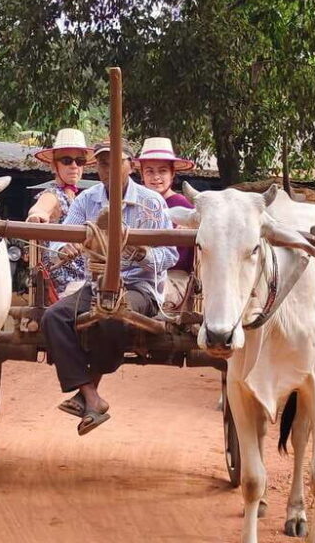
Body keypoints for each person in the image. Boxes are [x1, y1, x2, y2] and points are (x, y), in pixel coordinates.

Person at [41, 140, 179, 435]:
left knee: (112, 313)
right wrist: (63, 248)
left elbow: (171, 254)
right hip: (97, 284)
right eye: (104, 163)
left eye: (117, 162)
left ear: (131, 167)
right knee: (53, 317)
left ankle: (88, 395)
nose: (110, 169)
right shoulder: (87, 200)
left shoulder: (151, 202)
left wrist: (143, 254)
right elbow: (61, 238)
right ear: (98, 167)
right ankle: (91, 395)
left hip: (140, 288)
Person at [25, 128, 93, 297]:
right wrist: (37, 215)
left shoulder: (82, 199)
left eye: (80, 161)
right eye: (67, 160)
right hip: (64, 284)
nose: (74, 166)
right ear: (54, 165)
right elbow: (40, 209)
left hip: (88, 277)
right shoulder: (53, 195)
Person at [134, 137, 196, 309]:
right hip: (137, 275)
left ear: (172, 174)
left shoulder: (184, 207)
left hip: (174, 277)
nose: (156, 177)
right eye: (149, 171)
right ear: (142, 175)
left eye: (162, 171)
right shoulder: (134, 205)